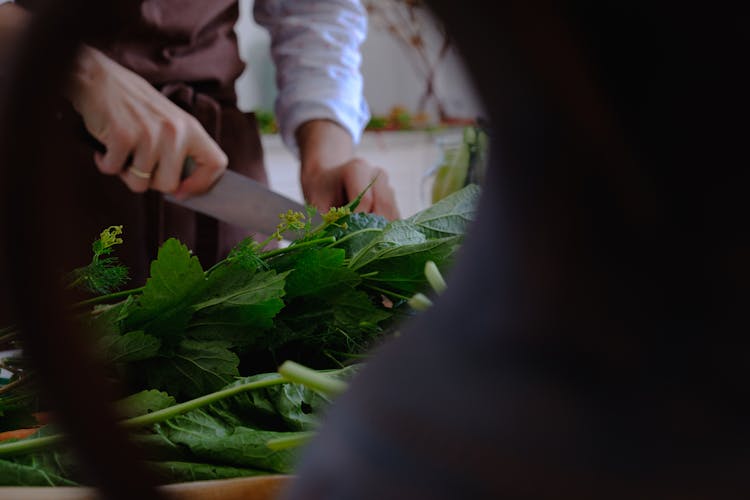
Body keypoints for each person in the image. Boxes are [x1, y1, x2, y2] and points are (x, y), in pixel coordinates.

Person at [0, 0, 399, 283]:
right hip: (28, 172)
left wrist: (325, 159)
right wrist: (77, 71)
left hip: (217, 183)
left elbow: (313, 12)